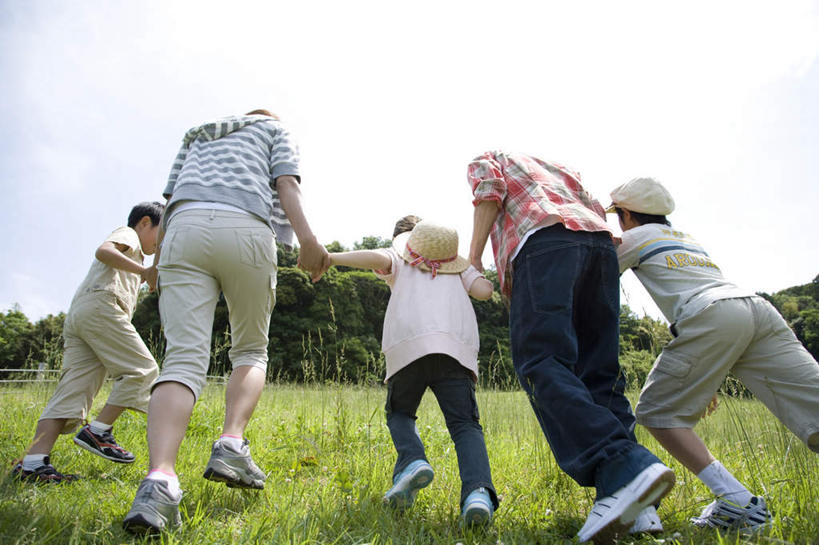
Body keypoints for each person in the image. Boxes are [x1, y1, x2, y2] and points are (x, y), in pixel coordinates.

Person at [123, 110, 329, 533]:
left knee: (181, 360)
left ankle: (159, 480)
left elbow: (170, 199)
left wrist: (158, 264)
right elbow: (286, 183)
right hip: (245, 227)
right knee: (251, 349)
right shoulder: (275, 129)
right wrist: (308, 239)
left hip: (183, 230)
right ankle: (231, 441)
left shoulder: (197, 133)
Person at [467, 151, 675, 544]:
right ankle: (634, 505)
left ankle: (624, 463)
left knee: (542, 361)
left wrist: (476, 257)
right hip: (599, 248)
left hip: (543, 242)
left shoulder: (489, 157)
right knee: (600, 374)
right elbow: (595, 208)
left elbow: (489, 193)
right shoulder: (563, 171)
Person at [608, 176, 819, 533]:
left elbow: (596, 277)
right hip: (756, 310)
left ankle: (736, 500)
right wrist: (709, 376)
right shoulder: (687, 240)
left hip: (712, 316)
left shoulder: (632, 238)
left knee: (658, 413)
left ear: (626, 214)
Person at [328, 217, 500, 525]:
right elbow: (485, 292)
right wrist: (479, 270)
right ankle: (478, 494)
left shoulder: (399, 257)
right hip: (455, 351)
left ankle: (412, 461)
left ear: (404, 242)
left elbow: (374, 258)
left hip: (408, 346)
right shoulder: (459, 267)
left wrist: (330, 258)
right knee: (465, 426)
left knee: (400, 414)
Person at [13, 202, 164, 483]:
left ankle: (32, 464)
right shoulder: (129, 235)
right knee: (143, 370)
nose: (161, 240)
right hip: (102, 306)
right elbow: (104, 251)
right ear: (144, 223)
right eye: (161, 230)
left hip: (84, 315)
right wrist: (142, 271)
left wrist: (145, 274)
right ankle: (99, 431)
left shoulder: (139, 257)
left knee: (73, 391)